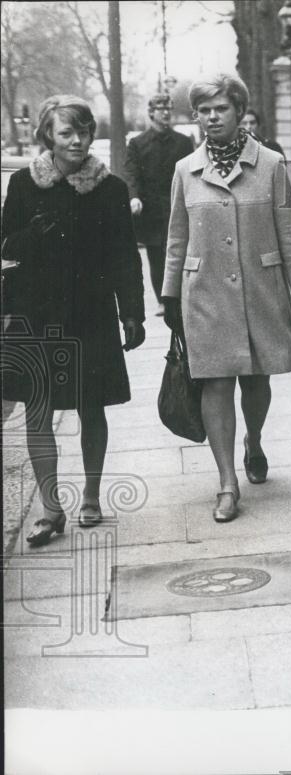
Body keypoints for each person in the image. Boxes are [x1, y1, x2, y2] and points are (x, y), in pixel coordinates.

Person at [161, 73, 291, 523]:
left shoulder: (269, 164)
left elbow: (288, 228)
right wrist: (170, 294)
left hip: (260, 289)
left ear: (239, 111)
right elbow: (175, 236)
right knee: (216, 381)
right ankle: (227, 483)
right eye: (204, 110)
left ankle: (255, 438)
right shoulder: (184, 171)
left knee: (257, 379)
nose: (212, 117)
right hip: (204, 291)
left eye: (220, 108)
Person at [1, 95, 145, 546]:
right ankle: (49, 508)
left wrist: (133, 312)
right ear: (48, 135)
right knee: (37, 411)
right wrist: (35, 231)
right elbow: (7, 247)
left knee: (91, 406)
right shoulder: (25, 184)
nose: (78, 140)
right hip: (35, 312)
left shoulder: (111, 189)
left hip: (91, 312)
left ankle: (91, 495)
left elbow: (125, 255)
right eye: (67, 132)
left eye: (84, 131)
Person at [123, 94, 195, 316]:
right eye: (160, 108)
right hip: (151, 210)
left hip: (177, 205)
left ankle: (183, 296)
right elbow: (131, 173)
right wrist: (134, 196)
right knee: (156, 256)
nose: (165, 112)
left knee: (181, 252)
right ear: (151, 112)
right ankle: (163, 300)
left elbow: (193, 173)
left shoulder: (183, 142)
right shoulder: (137, 143)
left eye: (168, 109)